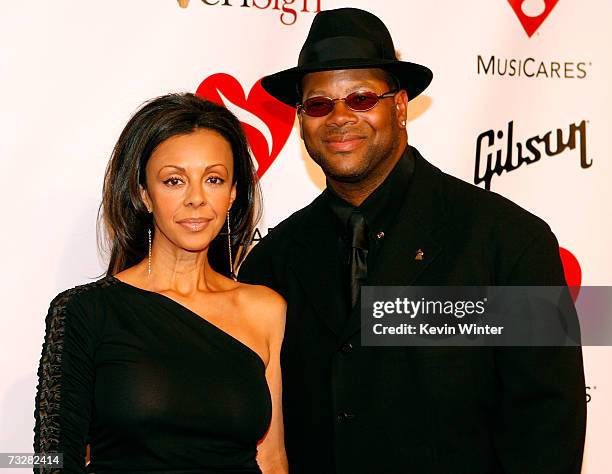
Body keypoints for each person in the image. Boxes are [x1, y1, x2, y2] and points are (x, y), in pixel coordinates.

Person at [238, 7, 586, 474]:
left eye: (361, 98)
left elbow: (548, 428)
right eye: (319, 104)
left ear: (399, 106)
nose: (339, 117)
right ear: (302, 120)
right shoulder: (272, 263)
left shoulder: (508, 241)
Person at [34, 93, 288, 473]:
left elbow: (271, 458)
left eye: (214, 179)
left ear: (233, 192)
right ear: (143, 194)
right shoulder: (85, 312)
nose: (197, 199)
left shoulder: (265, 309)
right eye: (174, 181)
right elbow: (53, 461)